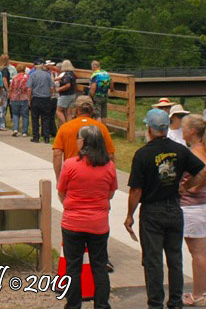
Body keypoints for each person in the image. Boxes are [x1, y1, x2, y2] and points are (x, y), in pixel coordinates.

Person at [125, 109, 206, 309]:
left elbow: (136, 189)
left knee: (153, 260)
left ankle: (155, 303)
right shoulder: (179, 150)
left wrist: (130, 214)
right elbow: (203, 172)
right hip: (174, 207)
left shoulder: (143, 154)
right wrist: (186, 186)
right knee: (175, 258)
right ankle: (175, 301)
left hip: (152, 209)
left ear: (149, 129)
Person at [57, 125, 116, 309]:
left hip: (73, 222)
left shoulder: (70, 164)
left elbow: (61, 191)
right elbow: (111, 193)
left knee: (73, 267)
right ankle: (101, 304)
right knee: (99, 266)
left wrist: (70, 205)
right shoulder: (109, 167)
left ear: (83, 142)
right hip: (98, 223)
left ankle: (73, 305)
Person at [180, 114, 206, 307]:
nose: (182, 130)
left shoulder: (194, 153)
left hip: (193, 206)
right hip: (203, 205)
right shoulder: (201, 148)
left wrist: (189, 187)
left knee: (198, 253)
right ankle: (203, 290)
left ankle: (197, 294)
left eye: (184, 127)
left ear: (192, 132)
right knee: (203, 250)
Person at [53, 96, 115, 180]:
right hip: (96, 175)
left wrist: (58, 178)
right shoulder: (101, 128)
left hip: (72, 174)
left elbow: (57, 154)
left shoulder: (65, 128)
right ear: (92, 110)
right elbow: (110, 155)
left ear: (76, 110)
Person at [28, 59, 56, 143]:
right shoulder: (47, 75)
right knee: (46, 118)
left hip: (36, 98)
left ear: (35, 66)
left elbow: (29, 89)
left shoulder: (32, 75)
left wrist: (29, 99)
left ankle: (36, 137)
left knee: (35, 118)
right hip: (46, 98)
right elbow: (52, 87)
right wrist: (50, 95)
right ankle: (46, 137)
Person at [8, 64, 31, 137]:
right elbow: (29, 88)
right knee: (25, 115)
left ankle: (15, 129)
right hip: (24, 98)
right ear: (24, 69)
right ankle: (24, 132)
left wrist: (10, 96)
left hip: (14, 98)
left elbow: (11, 88)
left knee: (15, 114)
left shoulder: (14, 77)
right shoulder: (27, 77)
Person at [56, 60, 78, 126]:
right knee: (69, 113)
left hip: (66, 95)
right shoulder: (73, 74)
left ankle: (65, 125)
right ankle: (70, 127)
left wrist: (58, 89)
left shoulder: (66, 74)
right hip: (73, 94)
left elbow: (67, 85)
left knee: (58, 111)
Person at [0, 54, 15, 131]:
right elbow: (4, 79)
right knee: (3, 108)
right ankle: (1, 125)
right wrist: (7, 89)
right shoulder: (5, 69)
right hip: (3, 90)